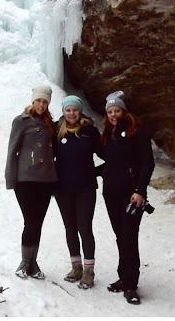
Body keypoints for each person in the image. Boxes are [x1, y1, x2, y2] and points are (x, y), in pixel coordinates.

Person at [99, 91, 155, 304]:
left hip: (132, 195)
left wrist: (140, 191)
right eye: (110, 111)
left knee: (129, 237)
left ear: (124, 111)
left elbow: (147, 164)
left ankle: (131, 285)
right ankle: (124, 277)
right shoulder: (109, 133)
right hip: (111, 193)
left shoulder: (137, 133)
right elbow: (112, 163)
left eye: (117, 110)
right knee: (120, 236)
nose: (114, 114)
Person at [5, 84, 58, 279]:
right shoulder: (21, 121)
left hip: (45, 180)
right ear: (32, 101)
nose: (41, 105)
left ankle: (33, 262)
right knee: (30, 220)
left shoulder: (51, 123)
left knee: (38, 222)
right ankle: (25, 261)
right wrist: (10, 179)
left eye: (45, 102)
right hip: (25, 180)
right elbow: (12, 151)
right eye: (38, 101)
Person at [54, 95, 103, 289]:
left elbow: (107, 154)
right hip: (63, 188)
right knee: (70, 227)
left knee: (84, 227)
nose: (71, 113)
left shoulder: (89, 131)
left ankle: (89, 271)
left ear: (79, 111)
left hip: (85, 188)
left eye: (74, 109)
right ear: (64, 112)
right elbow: (48, 157)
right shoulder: (57, 131)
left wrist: (98, 171)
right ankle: (76, 267)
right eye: (68, 110)